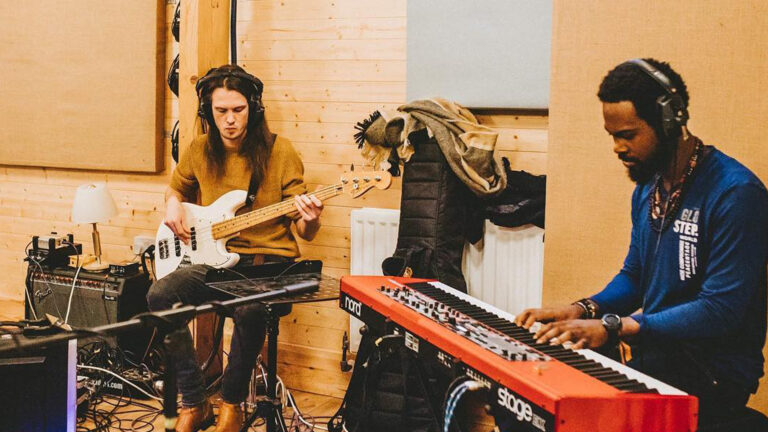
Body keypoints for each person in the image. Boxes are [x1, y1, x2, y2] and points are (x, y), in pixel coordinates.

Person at [515, 58, 768, 430]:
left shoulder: (735, 193)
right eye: (612, 136)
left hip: (712, 376)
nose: (617, 147)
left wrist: (615, 327)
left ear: (670, 121)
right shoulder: (648, 188)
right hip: (656, 361)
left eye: (628, 135)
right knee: (529, 402)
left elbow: (720, 309)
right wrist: (582, 309)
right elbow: (635, 276)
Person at [147, 64, 323, 432]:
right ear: (207, 112)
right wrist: (172, 203)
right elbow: (176, 186)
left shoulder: (280, 151)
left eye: (238, 111)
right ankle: (195, 402)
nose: (229, 120)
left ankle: (231, 402)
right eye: (221, 111)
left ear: (254, 109)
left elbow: (306, 232)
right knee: (160, 294)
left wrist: (309, 216)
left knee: (250, 309)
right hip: (216, 261)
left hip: (269, 262)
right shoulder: (198, 149)